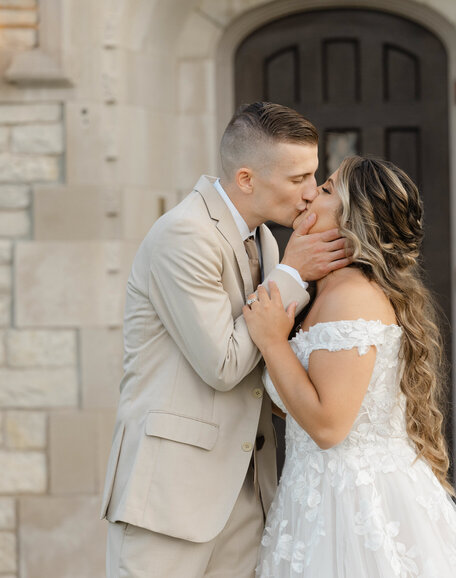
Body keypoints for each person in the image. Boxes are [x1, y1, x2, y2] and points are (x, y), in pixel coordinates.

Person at [101, 102, 349, 577]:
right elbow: (224, 364)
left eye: (313, 176)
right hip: (170, 499)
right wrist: (294, 273)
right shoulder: (183, 235)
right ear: (246, 178)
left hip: (246, 491)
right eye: (297, 179)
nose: (310, 193)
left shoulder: (266, 240)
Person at [242, 156, 456, 577]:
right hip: (312, 496)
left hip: (354, 503)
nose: (310, 193)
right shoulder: (322, 293)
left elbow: (328, 427)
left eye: (325, 189)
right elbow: (299, 401)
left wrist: (273, 341)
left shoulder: (352, 298)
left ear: (352, 221)